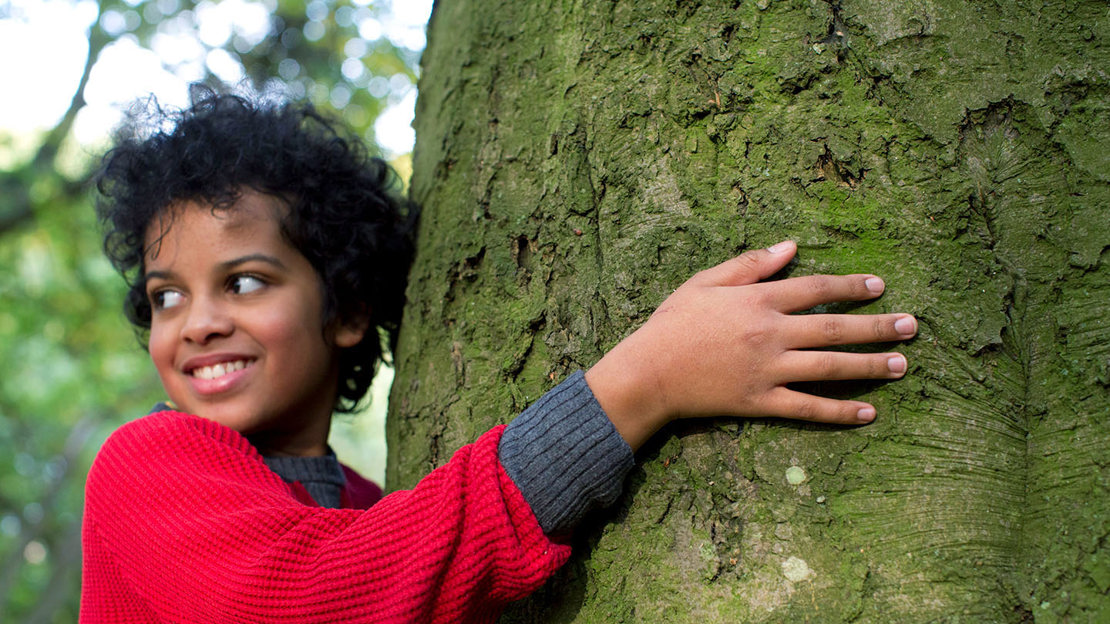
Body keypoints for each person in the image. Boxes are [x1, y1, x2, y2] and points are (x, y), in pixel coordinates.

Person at [81, 91, 918, 623]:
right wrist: (646, 383)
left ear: (348, 308)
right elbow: (311, 597)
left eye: (244, 282)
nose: (197, 323)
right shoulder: (146, 465)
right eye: (166, 296)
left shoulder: (372, 505)